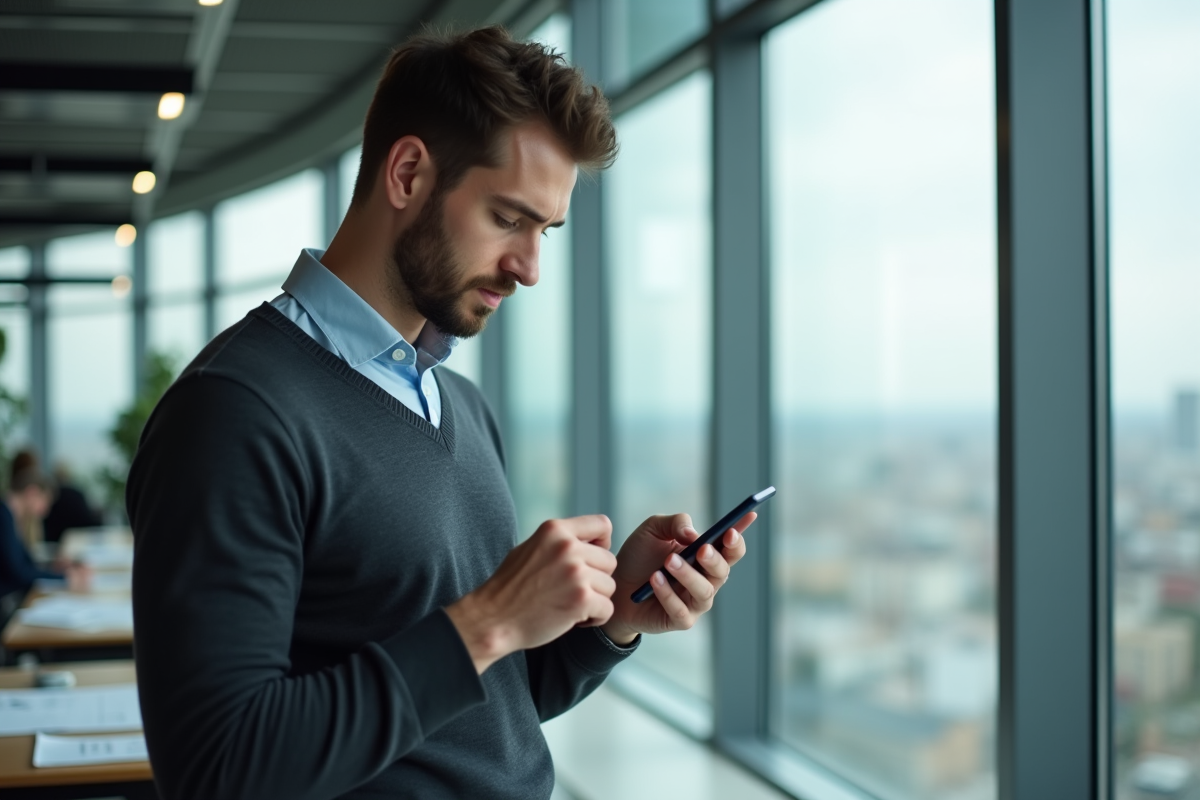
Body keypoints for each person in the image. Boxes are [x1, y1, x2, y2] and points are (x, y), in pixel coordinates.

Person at [127, 25, 755, 800]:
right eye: (508, 219)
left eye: (546, 231)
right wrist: (489, 619)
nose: (529, 268)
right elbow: (218, 766)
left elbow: (482, 712)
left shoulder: (457, 404)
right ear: (409, 173)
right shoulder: (235, 414)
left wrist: (617, 616)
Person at [0, 461, 89, 602]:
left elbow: (25, 564)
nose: (45, 511)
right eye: (44, 502)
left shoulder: (11, 516)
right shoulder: (3, 517)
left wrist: (54, 567)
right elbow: (18, 573)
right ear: (32, 493)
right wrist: (64, 578)